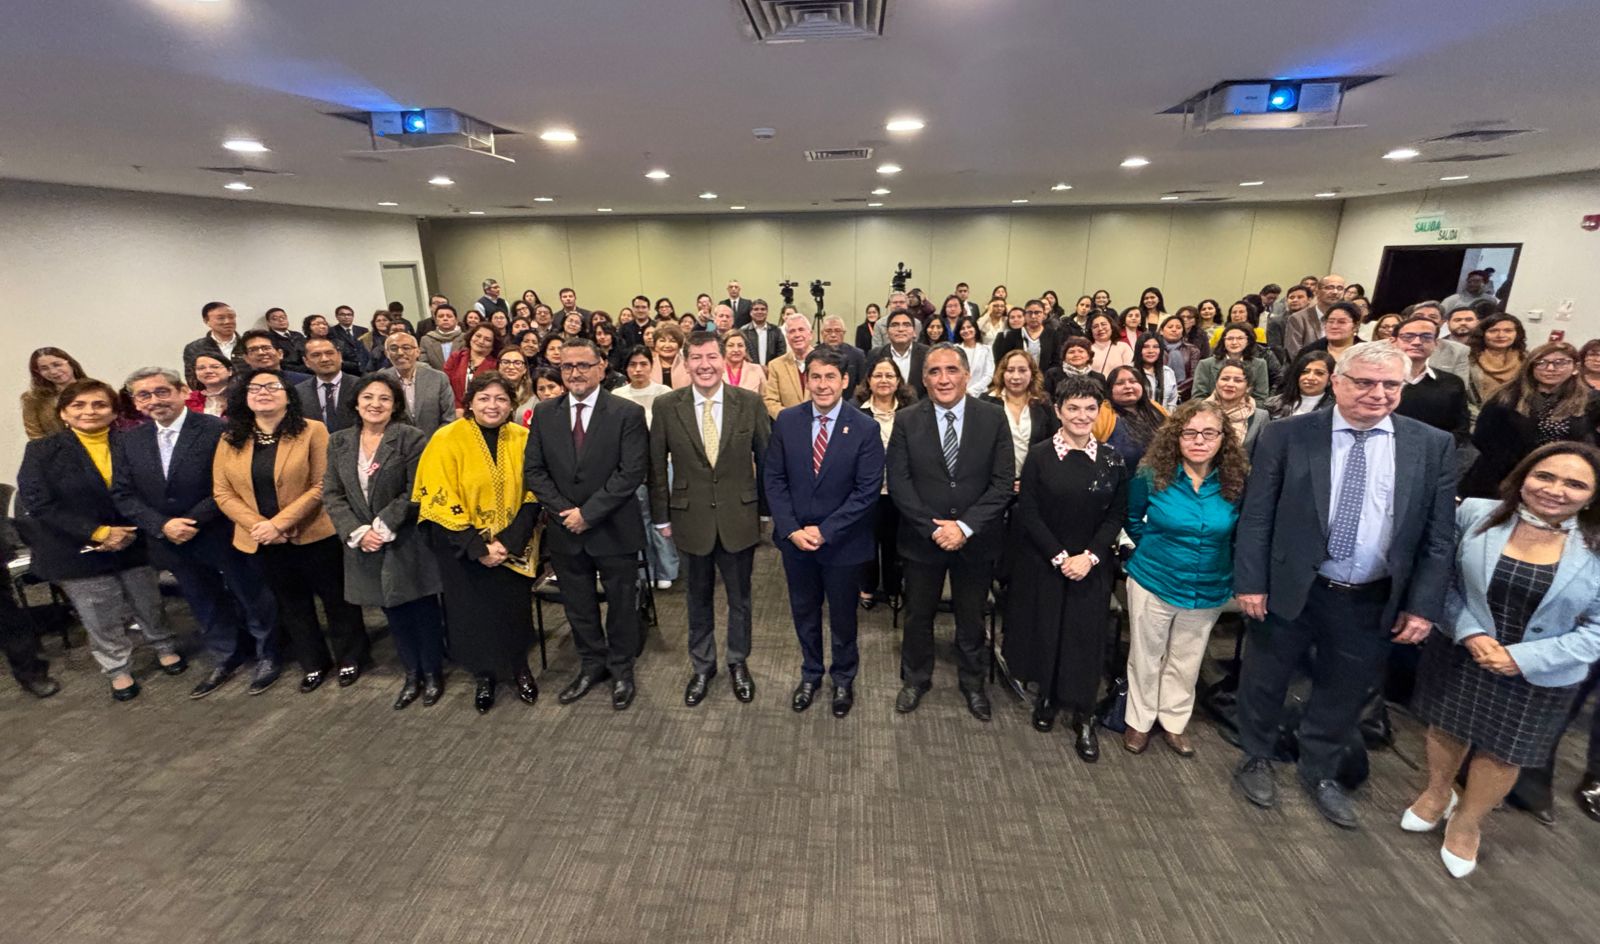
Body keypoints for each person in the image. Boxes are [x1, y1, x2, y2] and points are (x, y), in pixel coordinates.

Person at [1232, 343, 1456, 829]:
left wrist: (1423, 606)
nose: (1378, 393)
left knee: (1344, 688)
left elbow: (1439, 536)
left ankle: (1320, 771)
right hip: (1292, 585)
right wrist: (1250, 582)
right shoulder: (1287, 434)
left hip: (1371, 595)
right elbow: (1257, 515)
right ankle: (1256, 756)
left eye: (1391, 384)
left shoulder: (1430, 445)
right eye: (1365, 382)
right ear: (1337, 382)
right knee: (1265, 677)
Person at [1403, 443, 1600, 877]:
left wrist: (1521, 657)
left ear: (1593, 495)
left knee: (1503, 751)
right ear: (1523, 476)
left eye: (1575, 484)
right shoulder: (1476, 513)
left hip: (1540, 669)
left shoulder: (1595, 543)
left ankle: (1467, 822)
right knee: (1446, 727)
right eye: (1544, 476)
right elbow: (1443, 581)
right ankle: (1437, 793)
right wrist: (1470, 632)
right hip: (1462, 646)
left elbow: (1596, 630)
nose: (1555, 490)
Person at [113, 368, 279, 698]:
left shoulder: (216, 429)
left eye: (162, 391)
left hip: (220, 529)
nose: (154, 400)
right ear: (136, 402)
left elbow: (233, 482)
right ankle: (226, 655)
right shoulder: (129, 440)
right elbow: (123, 493)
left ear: (182, 391)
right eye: (144, 395)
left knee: (250, 594)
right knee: (203, 600)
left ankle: (268, 654)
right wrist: (162, 525)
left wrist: (191, 521)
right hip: (169, 539)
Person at [16, 379, 184, 701]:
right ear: (63, 413)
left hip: (134, 539)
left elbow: (151, 488)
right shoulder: (42, 451)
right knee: (99, 613)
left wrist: (132, 529)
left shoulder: (134, 442)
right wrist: (99, 533)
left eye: (99, 404)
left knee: (148, 601)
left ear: (114, 412)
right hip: (78, 546)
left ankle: (164, 646)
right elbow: (39, 503)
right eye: (78, 405)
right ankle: (117, 668)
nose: (89, 411)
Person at [213, 368, 369, 693]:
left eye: (272, 386)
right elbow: (223, 492)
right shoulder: (231, 439)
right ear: (244, 397)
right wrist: (260, 526)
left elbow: (322, 484)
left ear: (288, 395)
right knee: (291, 604)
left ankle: (350, 657)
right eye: (255, 388)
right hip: (262, 539)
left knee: (337, 600)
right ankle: (313, 663)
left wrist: (280, 523)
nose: (263, 392)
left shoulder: (312, 430)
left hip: (314, 532)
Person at [1003, 375, 1129, 760]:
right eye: (1073, 408)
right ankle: (1048, 697)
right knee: (1048, 630)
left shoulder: (1113, 459)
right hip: (1046, 561)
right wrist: (1059, 557)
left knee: (1084, 637)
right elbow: (1029, 512)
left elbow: (1116, 515)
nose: (1081, 415)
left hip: (1092, 564)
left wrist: (1089, 557)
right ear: (1058, 411)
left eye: (1090, 408)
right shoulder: (1040, 456)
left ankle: (1084, 713)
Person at [887, 344, 1014, 721]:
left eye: (951, 370)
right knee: (918, 615)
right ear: (924, 380)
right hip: (921, 540)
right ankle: (915, 678)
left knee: (971, 618)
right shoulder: (906, 420)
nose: (943, 379)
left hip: (976, 540)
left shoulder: (993, 417)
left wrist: (965, 527)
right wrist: (932, 529)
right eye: (934, 372)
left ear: (967, 375)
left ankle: (973, 683)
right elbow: (899, 483)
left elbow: (1002, 483)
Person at [525, 340, 650, 711]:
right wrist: (566, 511)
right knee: (578, 605)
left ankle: (622, 668)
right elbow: (534, 470)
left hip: (614, 527)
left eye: (583, 365)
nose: (575, 373)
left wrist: (589, 513)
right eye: (567, 367)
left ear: (601, 366)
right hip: (565, 530)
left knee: (622, 605)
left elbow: (631, 472)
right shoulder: (545, 413)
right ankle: (592, 664)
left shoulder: (626, 412)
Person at [650, 332, 772, 707]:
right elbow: (656, 467)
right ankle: (702, 666)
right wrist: (660, 517)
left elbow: (767, 460)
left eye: (712, 357)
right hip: (690, 519)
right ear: (685, 364)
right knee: (697, 600)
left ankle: (738, 662)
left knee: (740, 600)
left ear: (725, 360)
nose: (705, 365)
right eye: (697, 358)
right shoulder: (666, 406)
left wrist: (766, 512)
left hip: (739, 517)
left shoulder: (749, 403)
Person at [1121, 399, 1248, 756]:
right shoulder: (1151, 475)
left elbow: (1242, 534)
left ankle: (1174, 721)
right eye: (1189, 433)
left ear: (1223, 438)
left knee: (1187, 659)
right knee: (1146, 655)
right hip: (1154, 579)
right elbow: (1132, 519)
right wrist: (1154, 549)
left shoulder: (1236, 481)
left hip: (1209, 584)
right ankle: (1139, 720)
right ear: (1175, 437)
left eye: (1209, 433)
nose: (1199, 440)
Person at [415, 372, 540, 713]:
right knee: (473, 614)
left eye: (501, 399)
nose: (492, 405)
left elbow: (535, 490)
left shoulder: (524, 438)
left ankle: (519, 668)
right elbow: (437, 495)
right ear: (469, 402)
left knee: (514, 611)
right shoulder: (446, 438)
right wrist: (478, 546)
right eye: (484, 398)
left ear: (512, 404)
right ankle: (484, 675)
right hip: (464, 548)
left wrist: (508, 541)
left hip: (513, 547)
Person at [323, 374, 445, 711]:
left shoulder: (410, 438)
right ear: (356, 403)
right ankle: (411, 673)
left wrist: (384, 524)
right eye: (368, 397)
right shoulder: (338, 442)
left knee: (422, 609)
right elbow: (332, 493)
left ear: (395, 405)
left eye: (384, 399)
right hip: (364, 542)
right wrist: (358, 531)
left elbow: (417, 489)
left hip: (406, 538)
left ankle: (432, 673)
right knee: (392, 611)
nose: (375, 404)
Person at [1460, 342, 1600, 498]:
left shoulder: (1592, 401)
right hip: (1501, 478)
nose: (1550, 368)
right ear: (1530, 367)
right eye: (1541, 363)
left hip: (1564, 478)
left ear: (1575, 367)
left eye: (1560, 363)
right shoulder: (1506, 397)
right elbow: (1482, 438)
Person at [612, 345, 679, 594]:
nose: (638, 369)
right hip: (632, 467)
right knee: (640, 518)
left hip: (664, 464)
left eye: (643, 364)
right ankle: (646, 569)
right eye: (632, 365)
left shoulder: (665, 394)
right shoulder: (617, 395)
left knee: (663, 518)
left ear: (652, 365)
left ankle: (667, 570)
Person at [855, 357, 915, 611]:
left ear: (898, 381)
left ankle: (893, 588)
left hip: (899, 491)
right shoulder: (855, 411)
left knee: (894, 544)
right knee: (866, 541)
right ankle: (867, 587)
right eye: (878, 375)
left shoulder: (911, 412)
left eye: (889, 376)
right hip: (866, 491)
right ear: (868, 380)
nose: (884, 380)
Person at [1392, 316, 1472, 445]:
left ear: (1436, 344)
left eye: (1426, 337)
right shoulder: (1375, 380)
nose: (1417, 342)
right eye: (1408, 336)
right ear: (1393, 342)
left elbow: (1461, 428)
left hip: (1435, 451)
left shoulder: (1452, 383)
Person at [984, 349, 1059, 486]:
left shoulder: (1043, 403)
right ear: (1002, 373)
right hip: (995, 483)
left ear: (1032, 374)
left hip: (1035, 482)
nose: (1016, 376)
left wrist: (1030, 480)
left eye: (1022, 370)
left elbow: (1053, 444)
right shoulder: (986, 402)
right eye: (1010, 370)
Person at [378, 332, 456, 437]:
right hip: (396, 444)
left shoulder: (438, 378)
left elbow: (449, 417)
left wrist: (436, 442)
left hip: (435, 442)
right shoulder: (380, 380)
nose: (400, 352)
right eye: (393, 348)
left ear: (417, 352)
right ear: (387, 353)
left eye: (406, 348)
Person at [1093, 365, 1168, 467]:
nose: (1128, 386)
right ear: (1110, 389)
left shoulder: (1156, 408)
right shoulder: (1102, 412)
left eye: (1133, 381)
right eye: (1120, 383)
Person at [1192, 325, 1269, 405]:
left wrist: (1242, 409)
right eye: (1230, 339)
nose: (1234, 342)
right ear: (1223, 341)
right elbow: (1198, 398)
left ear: (1248, 341)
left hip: (1248, 410)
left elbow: (1261, 399)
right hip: (1212, 409)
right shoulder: (1206, 364)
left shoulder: (1259, 364)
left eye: (1240, 338)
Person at [21, 347, 86, 440]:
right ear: (38, 372)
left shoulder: (97, 390)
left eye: (57, 365)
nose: (53, 371)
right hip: (55, 448)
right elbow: (35, 436)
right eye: (44, 368)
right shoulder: (32, 399)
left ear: (70, 363)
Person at [1205, 359, 1269, 452]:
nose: (1230, 384)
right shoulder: (1198, 411)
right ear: (1216, 383)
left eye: (1238, 381)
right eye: (1225, 379)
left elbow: (1263, 453)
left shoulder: (1260, 417)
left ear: (1248, 388)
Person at [295, 337, 357, 432]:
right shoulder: (298, 392)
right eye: (316, 355)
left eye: (329, 353)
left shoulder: (361, 386)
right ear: (306, 362)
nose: (325, 359)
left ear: (340, 356)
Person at [1467, 312, 1528, 407]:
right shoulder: (1468, 358)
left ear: (1517, 334)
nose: (1501, 335)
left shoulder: (1526, 358)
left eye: (1508, 331)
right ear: (1482, 334)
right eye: (1493, 331)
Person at [763, 313, 818, 418]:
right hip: (788, 424)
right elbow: (770, 401)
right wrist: (790, 418)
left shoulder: (825, 362)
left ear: (811, 334)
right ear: (787, 337)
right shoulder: (775, 365)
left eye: (801, 329)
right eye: (792, 331)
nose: (797, 335)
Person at [868, 308, 929, 401]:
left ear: (914, 332)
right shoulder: (875, 355)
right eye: (895, 325)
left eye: (906, 325)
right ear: (887, 332)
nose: (901, 329)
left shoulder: (927, 354)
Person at [1281, 273, 1347, 356]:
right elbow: (1294, 353)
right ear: (1317, 291)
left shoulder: (1346, 319)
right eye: (1329, 288)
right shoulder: (1298, 318)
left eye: (1340, 288)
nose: (1335, 292)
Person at [183, 301, 248, 384]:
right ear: (207, 321)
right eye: (221, 318)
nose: (228, 321)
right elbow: (192, 378)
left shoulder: (248, 344)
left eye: (231, 317)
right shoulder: (195, 348)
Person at [993, 298, 1062, 373]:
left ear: (1044, 315)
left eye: (1037, 312)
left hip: (1045, 377)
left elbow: (1056, 361)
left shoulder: (1053, 335)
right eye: (1029, 312)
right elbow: (1003, 361)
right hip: (1017, 376)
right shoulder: (1012, 335)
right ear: (1025, 315)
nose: (1033, 316)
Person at [1264, 350, 1337, 420]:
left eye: (1319, 373)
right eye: (1305, 372)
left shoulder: (1336, 409)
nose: (1310, 377)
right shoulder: (1273, 405)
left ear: (1330, 379)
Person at [442, 324, 500, 409]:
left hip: (484, 410)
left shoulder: (496, 365)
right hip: (454, 409)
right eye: (478, 336)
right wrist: (457, 408)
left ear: (493, 345)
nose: (481, 341)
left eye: (487, 339)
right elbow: (445, 386)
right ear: (471, 337)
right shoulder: (456, 357)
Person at [238, 329, 311, 387]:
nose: (261, 352)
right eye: (253, 350)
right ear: (246, 358)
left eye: (266, 348)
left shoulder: (305, 382)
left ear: (280, 354)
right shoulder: (240, 386)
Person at [1297, 302, 1362, 362]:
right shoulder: (1308, 352)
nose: (1334, 326)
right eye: (1330, 321)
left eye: (1342, 322)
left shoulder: (1365, 352)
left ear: (1356, 326)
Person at [818, 315, 866, 391]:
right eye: (828, 331)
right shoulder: (814, 354)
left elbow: (862, 386)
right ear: (822, 333)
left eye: (837, 331)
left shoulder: (857, 354)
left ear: (844, 333)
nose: (833, 335)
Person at [1133, 332, 1178, 411]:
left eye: (1155, 347)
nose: (1151, 351)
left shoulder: (1168, 372)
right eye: (1146, 347)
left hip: (1164, 417)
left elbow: (1172, 403)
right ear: (1138, 349)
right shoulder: (1129, 372)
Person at [953, 316, 993, 396]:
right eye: (962, 328)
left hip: (980, 394)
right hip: (958, 394)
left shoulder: (986, 349)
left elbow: (989, 375)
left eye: (969, 327)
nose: (966, 330)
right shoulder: (954, 349)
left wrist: (971, 391)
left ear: (975, 329)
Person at [1086, 311, 1133, 376]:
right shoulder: (1087, 349)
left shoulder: (1123, 347)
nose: (1100, 328)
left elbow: (1130, 372)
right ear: (1091, 331)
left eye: (1103, 324)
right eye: (1095, 326)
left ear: (1111, 327)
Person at [185, 353, 233, 417]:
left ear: (230, 371)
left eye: (215, 367)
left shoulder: (242, 396)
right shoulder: (188, 399)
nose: (208, 371)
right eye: (201, 368)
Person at [419, 304, 463, 371]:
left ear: (456, 320)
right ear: (436, 321)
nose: (445, 319)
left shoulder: (466, 338)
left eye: (449, 316)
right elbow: (424, 364)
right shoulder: (426, 340)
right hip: (434, 376)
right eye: (441, 316)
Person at [328, 305, 369, 370]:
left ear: (353, 316)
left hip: (365, 366)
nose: (346, 317)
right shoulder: (331, 331)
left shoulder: (363, 330)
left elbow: (367, 348)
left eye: (349, 315)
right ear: (337, 317)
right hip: (346, 366)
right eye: (342, 315)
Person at [651, 323, 688, 388]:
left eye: (672, 341)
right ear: (655, 345)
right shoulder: (648, 365)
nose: (667, 345)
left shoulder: (688, 366)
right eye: (662, 341)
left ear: (679, 345)